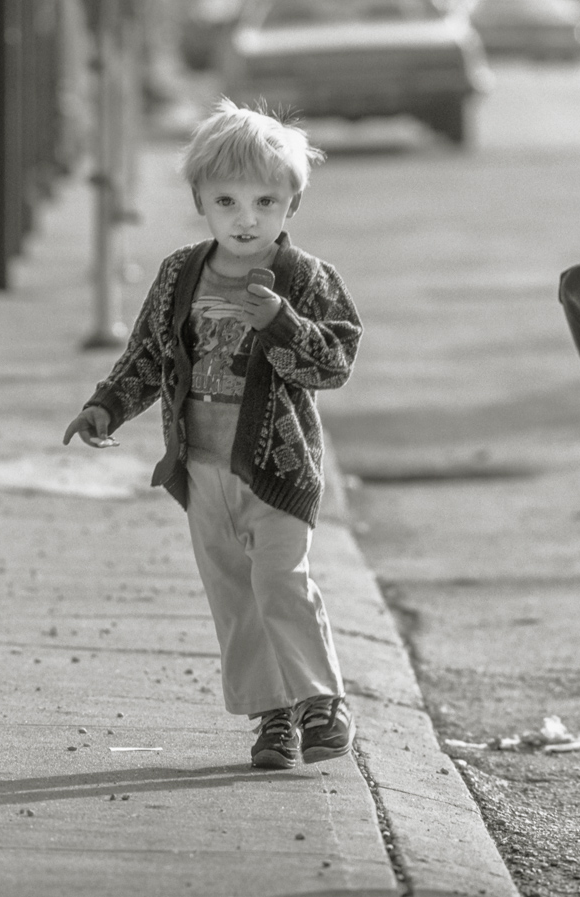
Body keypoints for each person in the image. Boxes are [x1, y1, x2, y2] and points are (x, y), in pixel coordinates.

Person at [63, 99, 362, 769]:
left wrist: (282, 323)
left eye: (264, 201)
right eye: (226, 200)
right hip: (202, 467)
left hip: (278, 466)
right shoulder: (178, 275)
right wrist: (105, 408)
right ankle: (272, 716)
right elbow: (145, 356)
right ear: (200, 198)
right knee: (233, 594)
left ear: (291, 205)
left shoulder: (307, 281)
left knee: (281, 581)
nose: (245, 218)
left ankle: (321, 700)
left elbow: (334, 363)